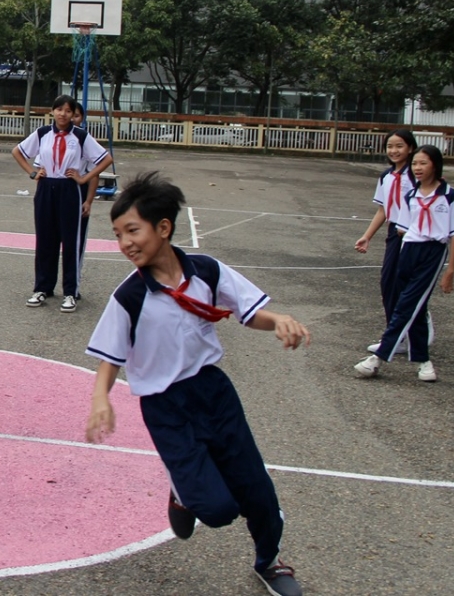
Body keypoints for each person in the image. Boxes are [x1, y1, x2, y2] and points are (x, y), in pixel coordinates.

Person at [84, 171, 310, 596]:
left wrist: (278, 319)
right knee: (219, 509)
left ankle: (269, 562)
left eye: (132, 230)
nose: (124, 243)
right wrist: (101, 398)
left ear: (164, 228)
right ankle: (184, 494)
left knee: (256, 488)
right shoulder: (129, 297)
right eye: (117, 235)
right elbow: (108, 357)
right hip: (166, 408)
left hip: (214, 392)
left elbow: (248, 311)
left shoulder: (206, 271)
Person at [355, 145, 454, 382]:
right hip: (409, 249)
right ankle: (424, 362)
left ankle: (378, 358)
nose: (418, 168)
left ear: (435, 164)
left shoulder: (449, 196)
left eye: (423, 163)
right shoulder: (410, 196)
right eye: (415, 164)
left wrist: (451, 269)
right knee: (414, 306)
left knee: (406, 305)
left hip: (432, 252)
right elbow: (402, 229)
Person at [12, 94, 111, 312]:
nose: (63, 114)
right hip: (46, 187)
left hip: (69, 189)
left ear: (73, 114)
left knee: (70, 241)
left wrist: (83, 179)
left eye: (68, 111)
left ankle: (70, 292)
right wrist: (32, 173)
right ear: (53, 111)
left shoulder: (81, 136)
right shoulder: (42, 133)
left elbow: (105, 159)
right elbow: (17, 152)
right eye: (59, 110)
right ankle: (42, 288)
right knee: (45, 239)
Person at [354, 129, 418, 357]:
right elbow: (383, 209)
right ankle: (397, 335)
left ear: (410, 148)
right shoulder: (387, 177)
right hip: (395, 232)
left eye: (399, 146)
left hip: (416, 234)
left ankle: (417, 328)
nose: (394, 150)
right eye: (390, 146)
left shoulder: (416, 174)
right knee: (388, 283)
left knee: (409, 284)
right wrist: (367, 235)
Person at [70, 101, 113, 301]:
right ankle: (46, 285)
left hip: (79, 189)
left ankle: (73, 285)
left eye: (76, 115)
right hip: (57, 190)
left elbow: (95, 172)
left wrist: (88, 201)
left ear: (82, 119)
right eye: (68, 113)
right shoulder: (53, 137)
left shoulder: (84, 140)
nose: (71, 118)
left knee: (76, 241)